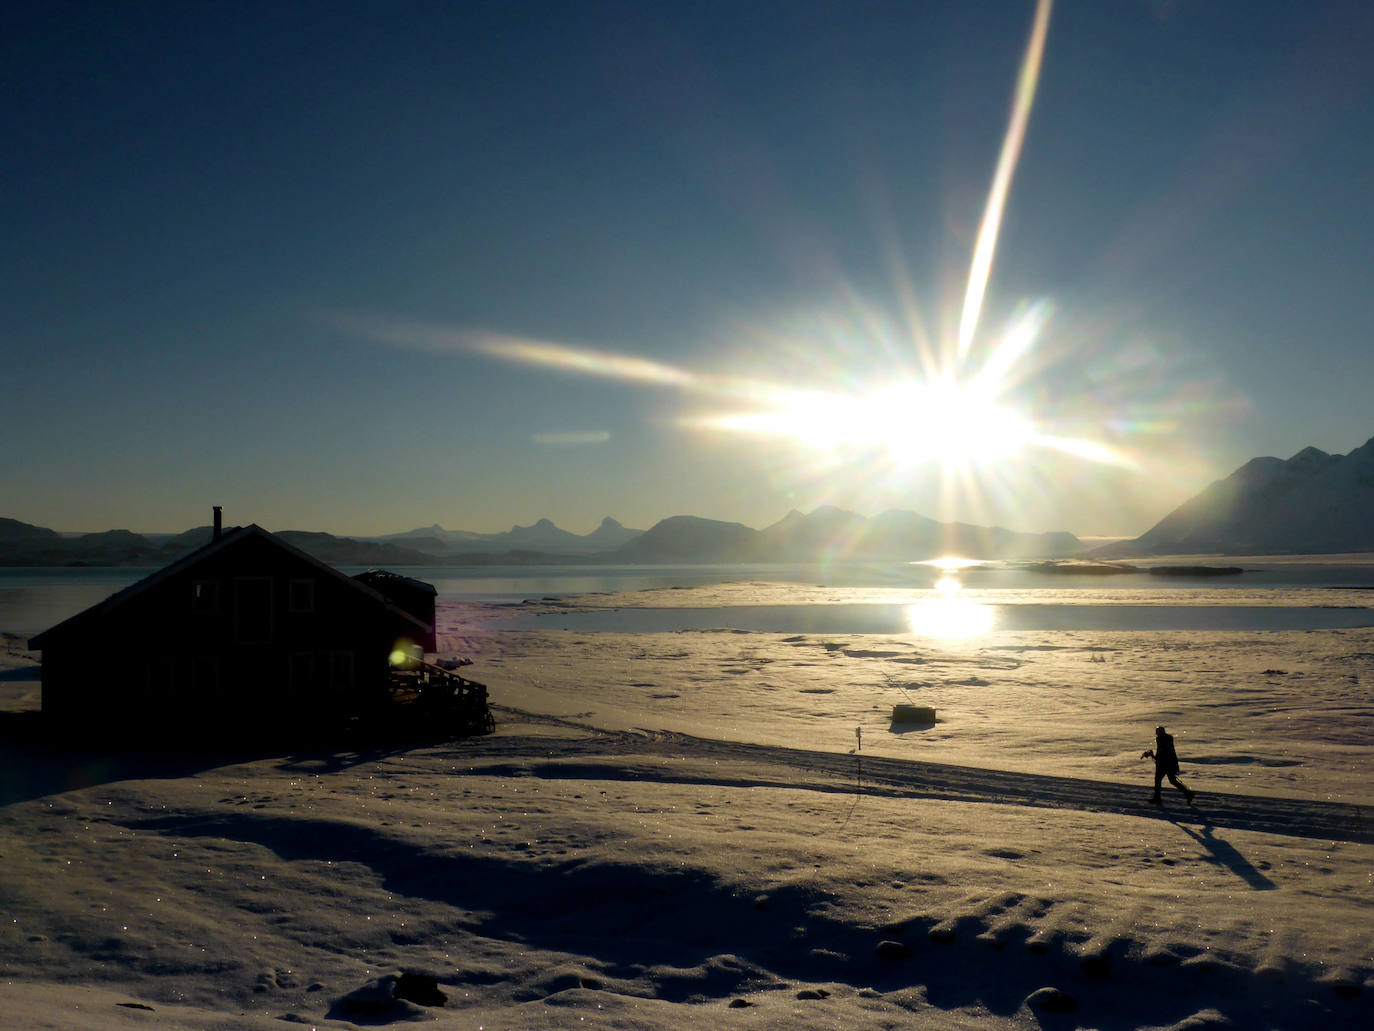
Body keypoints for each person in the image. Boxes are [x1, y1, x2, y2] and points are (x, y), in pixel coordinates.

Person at [1141, 725, 1195, 804]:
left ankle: (1157, 798)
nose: (1156, 733)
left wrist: (1151, 755)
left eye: (1157, 732)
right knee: (1172, 780)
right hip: (1171, 763)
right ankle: (1188, 794)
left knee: (1158, 780)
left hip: (1163, 764)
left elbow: (1161, 753)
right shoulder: (1168, 739)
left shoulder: (1160, 739)